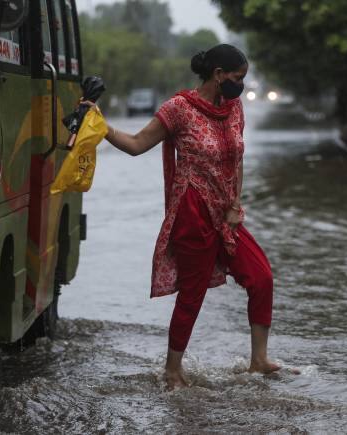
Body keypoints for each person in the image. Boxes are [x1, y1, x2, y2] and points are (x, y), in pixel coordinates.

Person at [99, 44, 279, 389]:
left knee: (261, 277)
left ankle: (259, 361)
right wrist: (101, 126)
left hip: (226, 213)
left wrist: (235, 206)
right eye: (238, 78)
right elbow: (137, 144)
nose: (240, 84)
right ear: (218, 75)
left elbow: (237, 160)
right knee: (192, 293)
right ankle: (172, 369)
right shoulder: (179, 109)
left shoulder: (234, 107)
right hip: (193, 213)